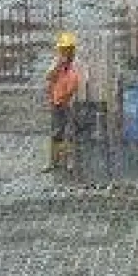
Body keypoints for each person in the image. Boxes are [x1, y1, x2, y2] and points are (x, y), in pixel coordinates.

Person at [44, 31, 84, 173]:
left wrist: (69, 97)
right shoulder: (57, 63)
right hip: (57, 102)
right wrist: (57, 66)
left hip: (71, 103)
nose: (65, 52)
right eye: (62, 49)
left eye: (67, 49)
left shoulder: (77, 65)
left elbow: (77, 83)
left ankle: (70, 162)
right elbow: (48, 77)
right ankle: (54, 162)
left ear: (72, 50)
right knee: (56, 133)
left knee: (71, 133)